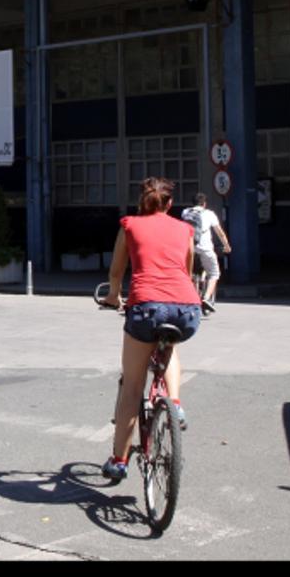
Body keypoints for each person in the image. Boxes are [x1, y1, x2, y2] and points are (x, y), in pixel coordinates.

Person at [100, 177, 201, 481]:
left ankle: (118, 461)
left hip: (145, 308)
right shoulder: (185, 229)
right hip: (186, 308)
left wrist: (114, 295)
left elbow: (117, 270)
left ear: (141, 202)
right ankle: (176, 403)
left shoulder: (130, 225)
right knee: (171, 345)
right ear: (170, 204)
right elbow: (187, 269)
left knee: (132, 386)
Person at [180, 193, 231, 313]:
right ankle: (206, 298)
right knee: (214, 273)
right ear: (204, 204)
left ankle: (191, 297)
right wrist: (226, 245)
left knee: (189, 273)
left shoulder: (185, 212)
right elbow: (219, 232)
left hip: (189, 248)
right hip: (205, 248)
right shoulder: (209, 214)